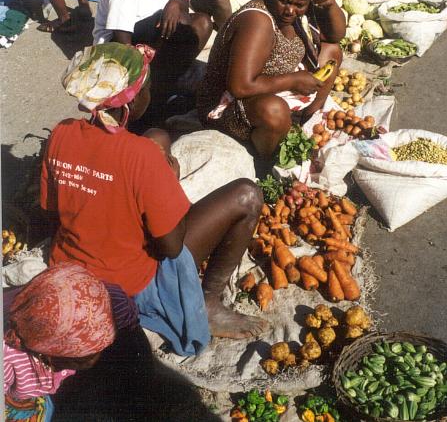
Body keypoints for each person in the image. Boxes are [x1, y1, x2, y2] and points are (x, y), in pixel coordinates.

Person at [40, 43, 268, 346]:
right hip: (128, 282)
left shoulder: (62, 132)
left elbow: (52, 207)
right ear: (130, 102)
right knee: (247, 195)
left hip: (70, 264)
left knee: (158, 136)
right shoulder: (142, 156)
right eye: (147, 86)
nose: (151, 90)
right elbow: (172, 248)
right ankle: (208, 305)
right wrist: (168, 184)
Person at [197, 0, 345, 162]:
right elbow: (239, 87)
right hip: (228, 103)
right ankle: (266, 157)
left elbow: (335, 36)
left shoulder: (299, 3)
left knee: (333, 53)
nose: (290, 11)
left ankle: (301, 121)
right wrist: (294, 80)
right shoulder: (257, 21)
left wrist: (330, 5)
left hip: (273, 84)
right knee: (274, 111)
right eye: (284, 1)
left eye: (299, 5)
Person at [93, 0, 212, 112]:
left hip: (151, 32)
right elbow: (122, 41)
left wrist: (173, 2)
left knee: (202, 22)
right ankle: (153, 93)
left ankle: (166, 82)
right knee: (174, 22)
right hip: (118, 44)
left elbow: (180, 1)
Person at [3, 262, 136, 420]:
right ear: (48, 354)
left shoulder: (50, 297)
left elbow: (125, 310)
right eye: (81, 360)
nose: (97, 356)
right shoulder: (8, 360)